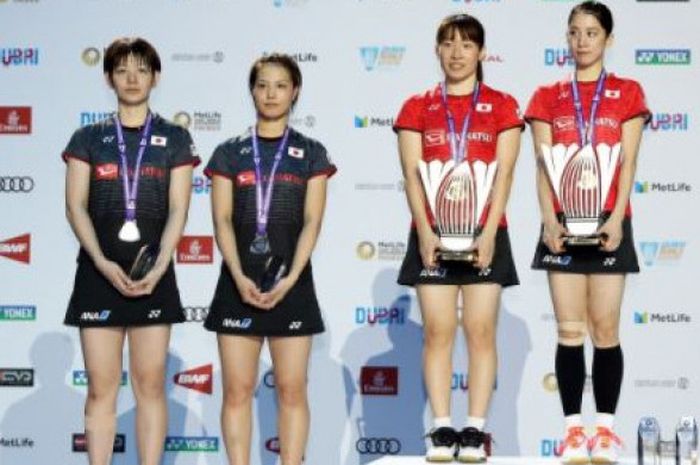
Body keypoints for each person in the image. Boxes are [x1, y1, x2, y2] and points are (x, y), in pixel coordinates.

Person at [63, 37, 199, 465]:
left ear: (155, 76)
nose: (133, 78)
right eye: (122, 70)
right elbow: (74, 206)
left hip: (153, 275)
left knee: (150, 384)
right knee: (102, 387)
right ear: (109, 78)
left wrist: (159, 267)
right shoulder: (88, 137)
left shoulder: (175, 137)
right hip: (98, 274)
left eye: (141, 69)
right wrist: (102, 263)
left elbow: (179, 208)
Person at [524, 2, 650, 463]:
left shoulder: (628, 93)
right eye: (575, 32)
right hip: (561, 223)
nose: (582, 41)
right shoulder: (546, 97)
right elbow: (542, 168)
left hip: (609, 222)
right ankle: (574, 431)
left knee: (606, 328)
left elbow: (629, 161)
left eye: (592, 33)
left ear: (608, 40)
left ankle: (606, 432)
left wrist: (617, 218)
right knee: (569, 329)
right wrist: (549, 220)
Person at [394, 13, 522, 463]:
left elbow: (505, 174)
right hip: (432, 233)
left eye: (466, 45)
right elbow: (412, 176)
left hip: (486, 233)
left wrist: (488, 233)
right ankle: (442, 427)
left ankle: (475, 428)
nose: (456, 53)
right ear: (436, 50)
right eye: (448, 43)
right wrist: (425, 230)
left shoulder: (504, 106)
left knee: (482, 330)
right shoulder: (417, 107)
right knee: (437, 331)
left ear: (482, 53)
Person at [203, 53, 336, 465]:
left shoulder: (311, 152)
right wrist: (239, 275)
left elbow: (313, 220)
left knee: (292, 389)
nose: (271, 94)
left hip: (291, 285)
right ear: (252, 91)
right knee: (238, 390)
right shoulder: (229, 152)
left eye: (280, 85)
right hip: (237, 284)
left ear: (294, 91)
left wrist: (292, 276)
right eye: (262, 85)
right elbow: (222, 220)